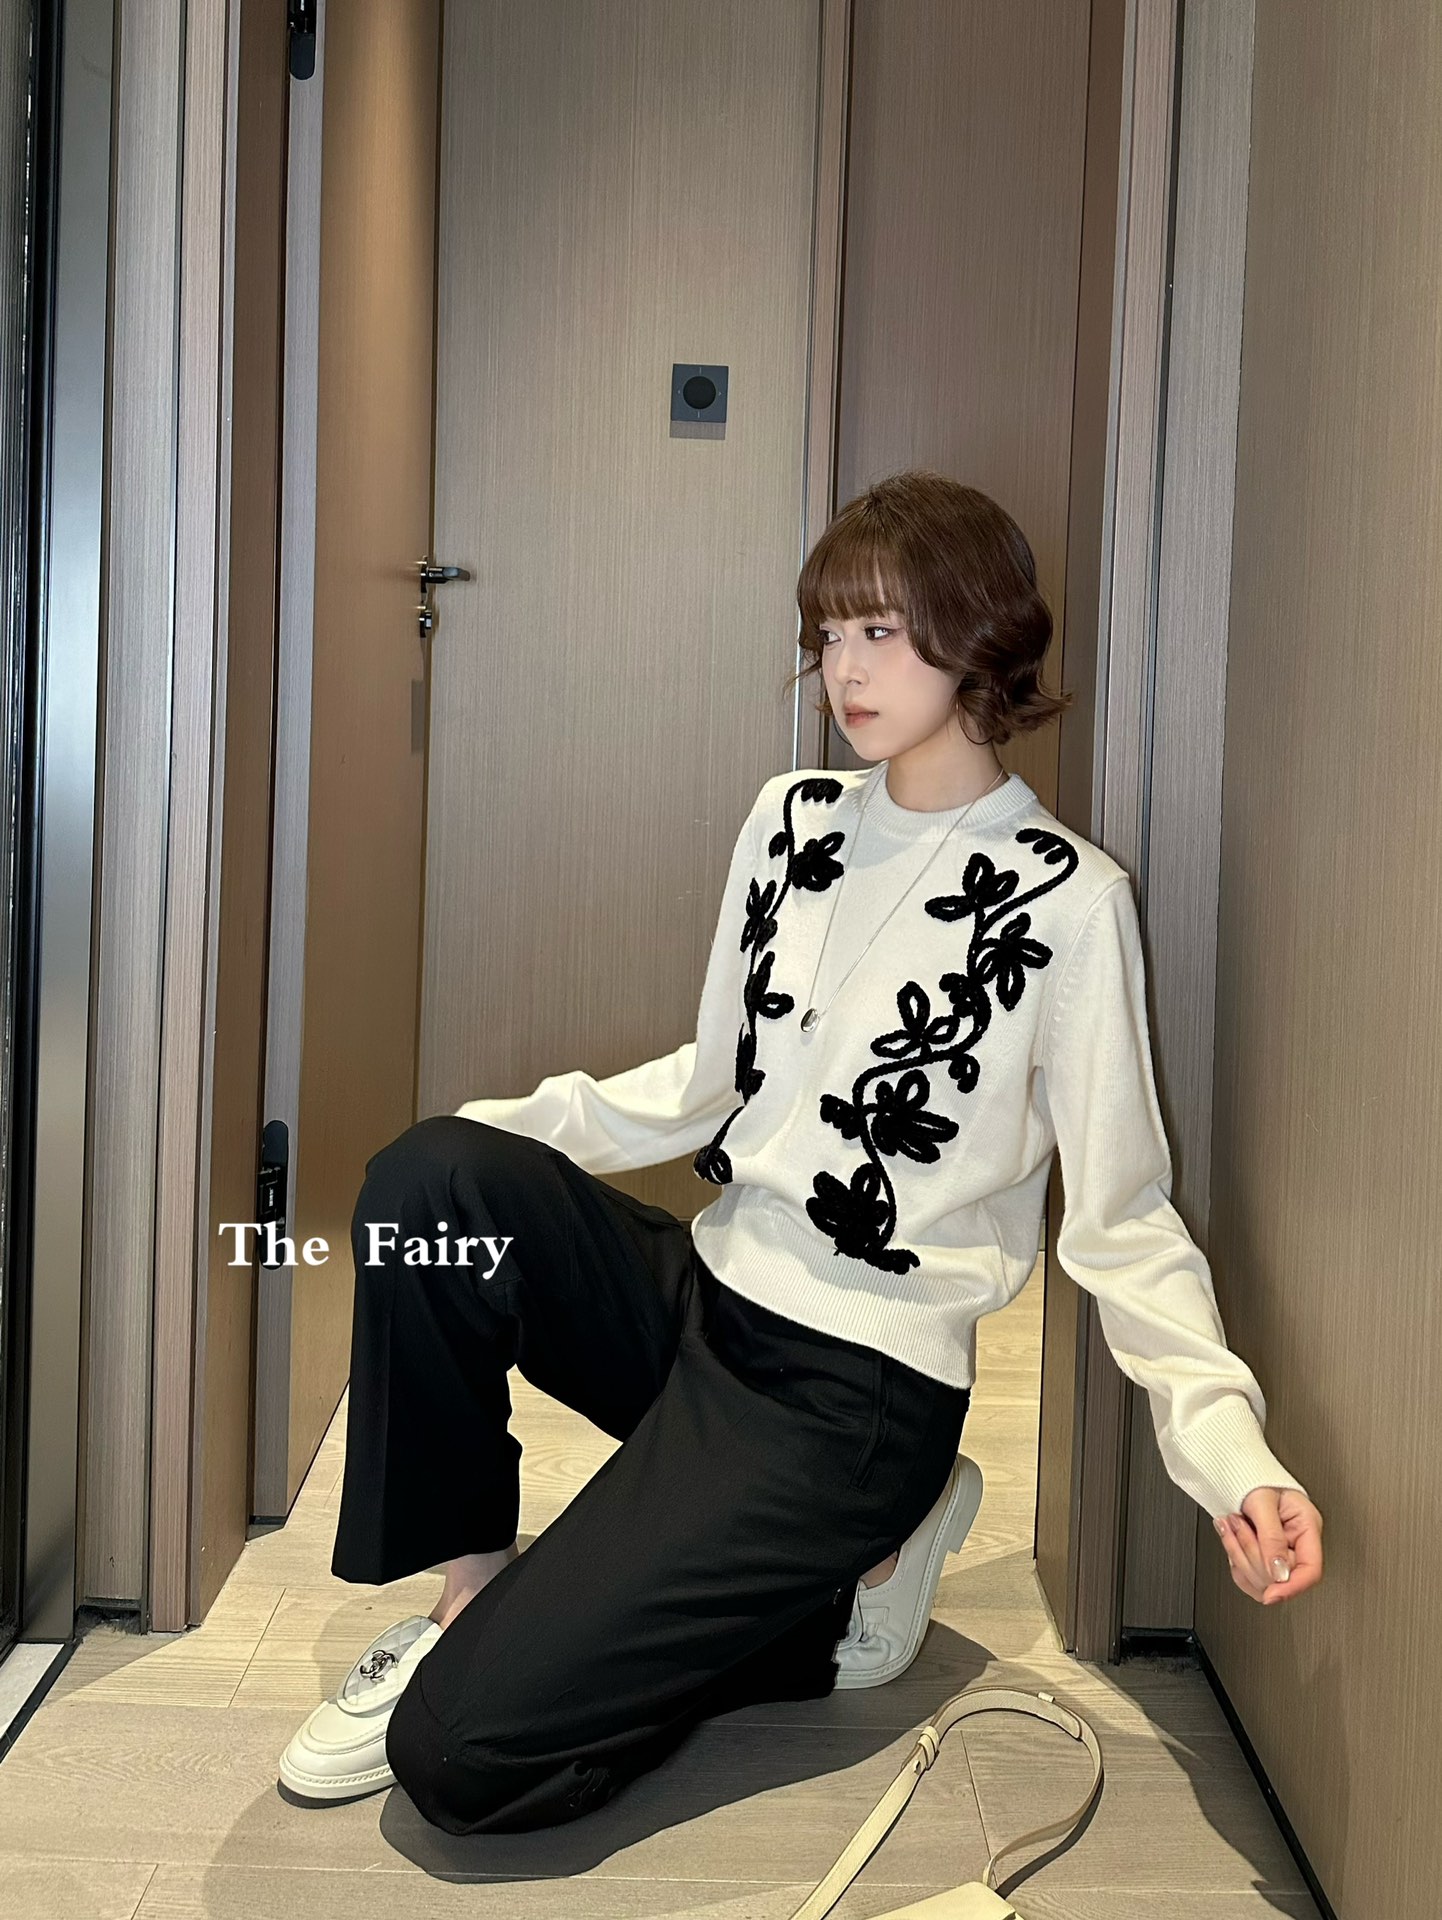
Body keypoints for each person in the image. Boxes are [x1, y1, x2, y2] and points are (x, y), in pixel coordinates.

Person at [278, 470, 1325, 1834]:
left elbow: (1122, 1220)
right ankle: (468, 1595)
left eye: (881, 631)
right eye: (830, 633)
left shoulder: (1066, 900)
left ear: (977, 632)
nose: (846, 669)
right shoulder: (793, 823)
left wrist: (1230, 1453)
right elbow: (704, 1086)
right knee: (430, 1183)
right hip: (704, 1305)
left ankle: (837, 1599)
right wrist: (478, 1139)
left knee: (462, 1758)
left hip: (850, 1399)